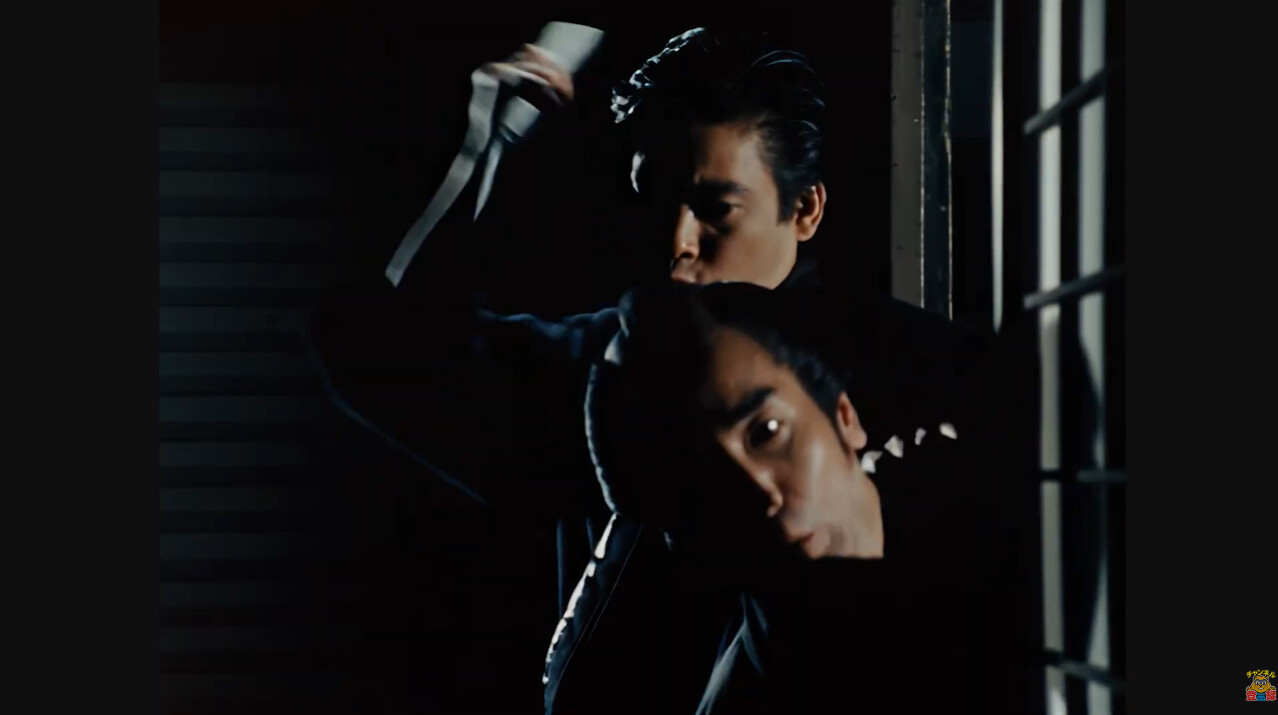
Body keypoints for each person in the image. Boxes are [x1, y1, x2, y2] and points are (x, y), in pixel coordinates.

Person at [308, 26, 1023, 713]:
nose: (677, 240)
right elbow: (383, 353)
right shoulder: (606, 368)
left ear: (804, 209)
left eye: (717, 210)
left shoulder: (901, 369)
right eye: (654, 198)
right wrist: (484, 152)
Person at [581, 281, 1036, 713]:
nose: (760, 491)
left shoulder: (1001, 515)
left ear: (844, 416)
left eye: (766, 432)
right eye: (706, 484)